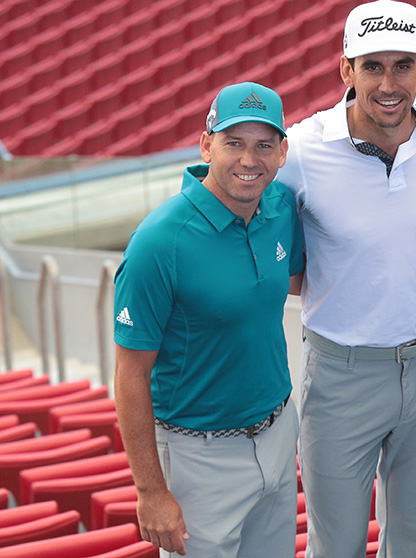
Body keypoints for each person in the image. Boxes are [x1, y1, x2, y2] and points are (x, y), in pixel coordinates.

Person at [275, 1, 416, 556]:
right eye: (372, 67)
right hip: (342, 376)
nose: (388, 83)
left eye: (402, 65)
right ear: (346, 71)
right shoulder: (303, 149)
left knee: (414, 542)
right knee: (334, 547)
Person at [113, 81, 303, 557]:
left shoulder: (280, 209)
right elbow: (130, 374)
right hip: (200, 457)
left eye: (263, 146)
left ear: (283, 152)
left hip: (278, 435)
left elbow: (299, 278)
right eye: (233, 143)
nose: (248, 160)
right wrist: (150, 492)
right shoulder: (158, 242)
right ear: (206, 145)